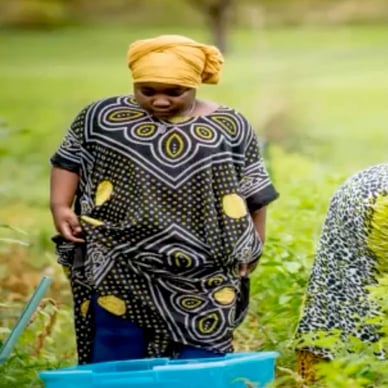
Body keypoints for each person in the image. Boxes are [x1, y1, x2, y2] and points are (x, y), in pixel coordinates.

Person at [49, 34, 279, 365]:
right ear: (135, 82)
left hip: (207, 264)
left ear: (196, 84)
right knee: (117, 342)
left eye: (174, 92)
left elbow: (254, 190)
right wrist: (59, 205)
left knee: (203, 350)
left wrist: (254, 243)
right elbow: (69, 159)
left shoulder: (229, 125)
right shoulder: (103, 118)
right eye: (148, 91)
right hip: (120, 256)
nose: (159, 101)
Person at [294, 163, 388, 383]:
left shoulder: (366, 179)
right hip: (375, 203)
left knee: (340, 279)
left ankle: (334, 371)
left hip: (359, 195)